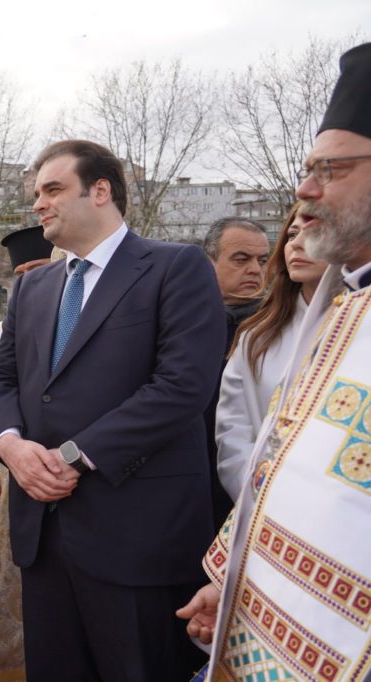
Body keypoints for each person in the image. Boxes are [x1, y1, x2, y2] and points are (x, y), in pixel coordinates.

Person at [0, 139, 225, 681]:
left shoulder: (174, 267)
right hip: (44, 538)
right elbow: (1, 380)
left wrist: (73, 456)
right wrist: (12, 448)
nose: (39, 204)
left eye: (52, 190)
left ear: (100, 190)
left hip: (137, 535)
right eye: (35, 194)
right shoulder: (33, 288)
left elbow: (182, 386)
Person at [179, 42, 371, 680]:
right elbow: (281, 463)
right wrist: (238, 583)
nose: (305, 189)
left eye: (331, 170)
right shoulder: (345, 309)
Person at [0, 224, 54, 681]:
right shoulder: (1, 332)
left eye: (36, 268)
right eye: (19, 272)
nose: (27, 279)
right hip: (9, 488)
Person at [215, 204, 328, 499]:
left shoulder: (361, 328)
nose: (298, 244)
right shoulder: (256, 335)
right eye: (291, 234)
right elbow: (233, 434)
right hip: (265, 505)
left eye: (314, 231)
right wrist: (260, 497)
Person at [202, 216, 272, 520]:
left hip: (255, 490)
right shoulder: (183, 325)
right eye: (241, 259)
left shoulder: (277, 328)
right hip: (193, 485)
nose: (255, 270)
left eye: (263, 260)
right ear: (209, 262)